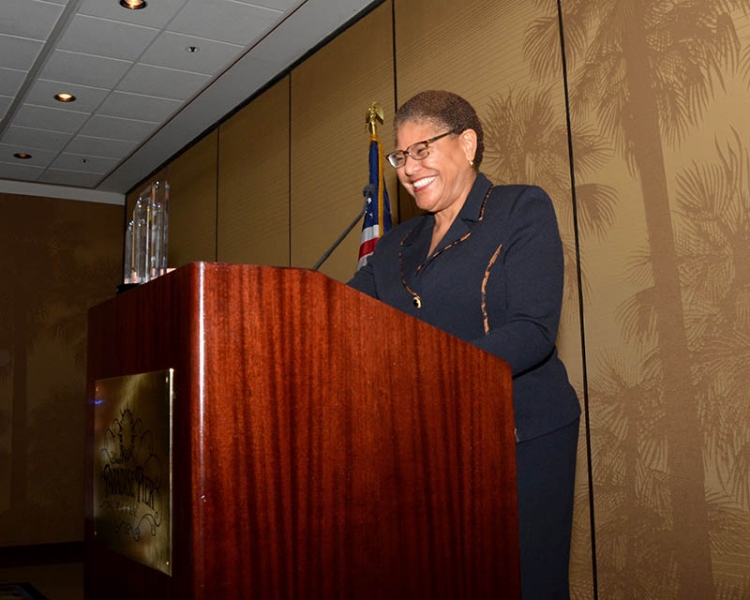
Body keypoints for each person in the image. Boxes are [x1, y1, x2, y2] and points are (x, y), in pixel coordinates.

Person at [348, 90, 581, 599]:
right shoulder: (394, 246)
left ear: (467, 144)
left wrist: (424, 375)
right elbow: (338, 314)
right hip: (428, 441)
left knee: (523, 582)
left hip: (521, 434)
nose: (409, 169)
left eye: (422, 150)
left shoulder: (520, 208)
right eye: (400, 157)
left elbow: (533, 330)